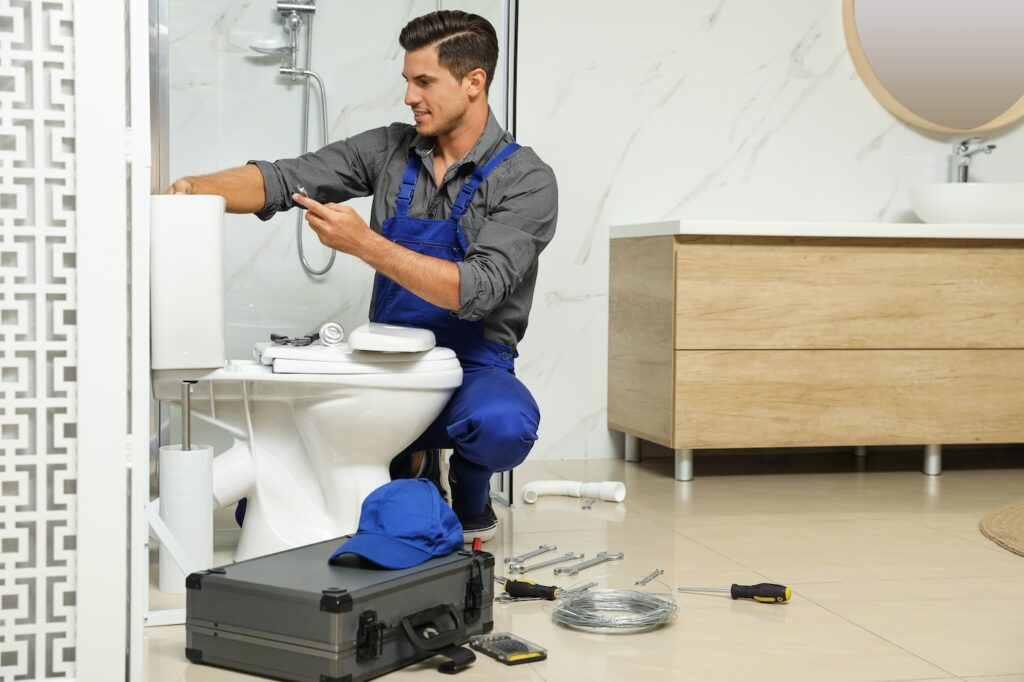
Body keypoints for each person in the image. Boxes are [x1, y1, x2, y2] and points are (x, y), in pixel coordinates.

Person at [167, 10, 558, 542]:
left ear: (474, 82)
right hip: (389, 366)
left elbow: (477, 288)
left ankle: (470, 486)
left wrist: (366, 244)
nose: (409, 97)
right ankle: (412, 463)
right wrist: (192, 189)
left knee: (502, 424)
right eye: (407, 81)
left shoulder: (528, 180)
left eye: (424, 82)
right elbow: (284, 178)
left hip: (473, 366)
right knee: (277, 500)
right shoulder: (389, 149)